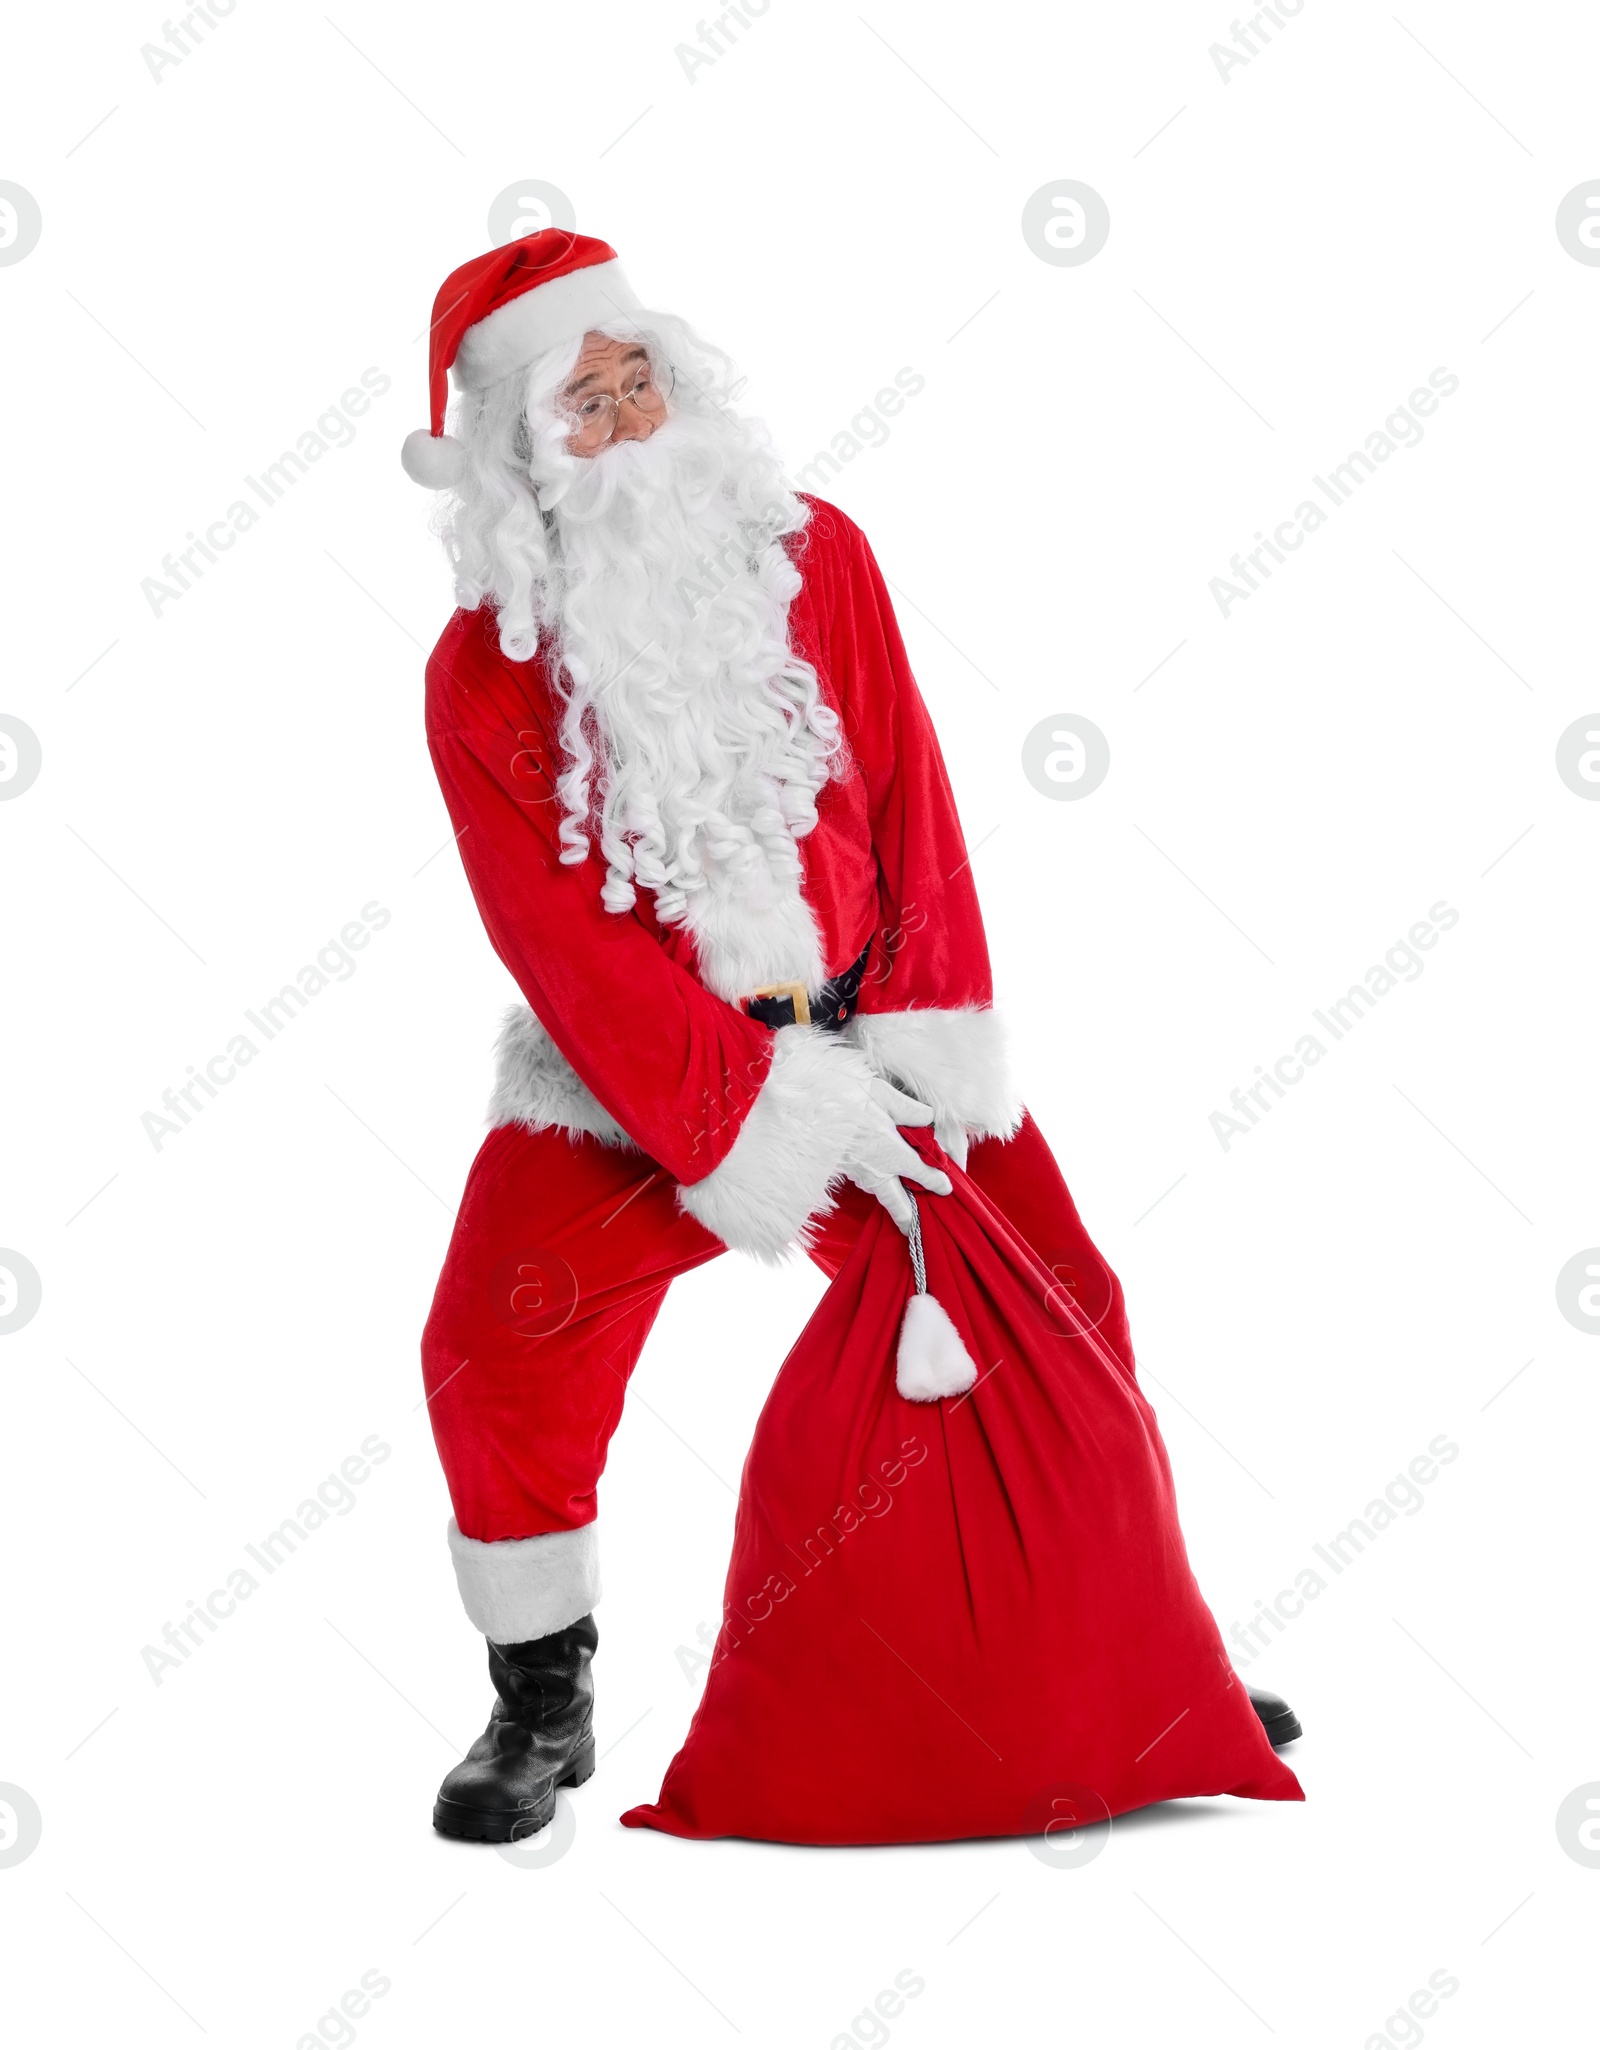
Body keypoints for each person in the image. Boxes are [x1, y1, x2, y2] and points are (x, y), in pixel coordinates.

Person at [400, 230, 1300, 1843]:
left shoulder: (822, 557)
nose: (625, 424)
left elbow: (912, 800)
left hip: (878, 1033)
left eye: (636, 381)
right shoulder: (482, 678)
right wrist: (758, 1111)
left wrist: (916, 1044)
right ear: (518, 462)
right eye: (579, 410)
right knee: (492, 1337)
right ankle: (543, 1694)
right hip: (644, 1090)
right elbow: (570, 949)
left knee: (1064, 1296)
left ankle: (1144, 1646)